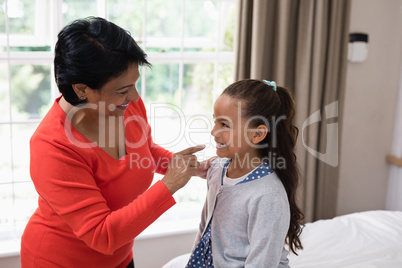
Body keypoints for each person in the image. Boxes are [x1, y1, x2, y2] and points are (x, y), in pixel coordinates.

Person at [20, 17, 211, 268]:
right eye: (122, 90)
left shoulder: (124, 106)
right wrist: (170, 184)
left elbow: (144, 150)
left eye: (135, 84)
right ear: (81, 90)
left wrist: (187, 167)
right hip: (62, 261)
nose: (134, 96)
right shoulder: (52, 146)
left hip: (120, 258)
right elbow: (102, 235)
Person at [186, 79, 304, 267]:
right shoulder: (217, 170)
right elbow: (205, 228)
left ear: (257, 134)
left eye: (224, 124)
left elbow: (262, 263)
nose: (213, 131)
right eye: (215, 121)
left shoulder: (268, 196)